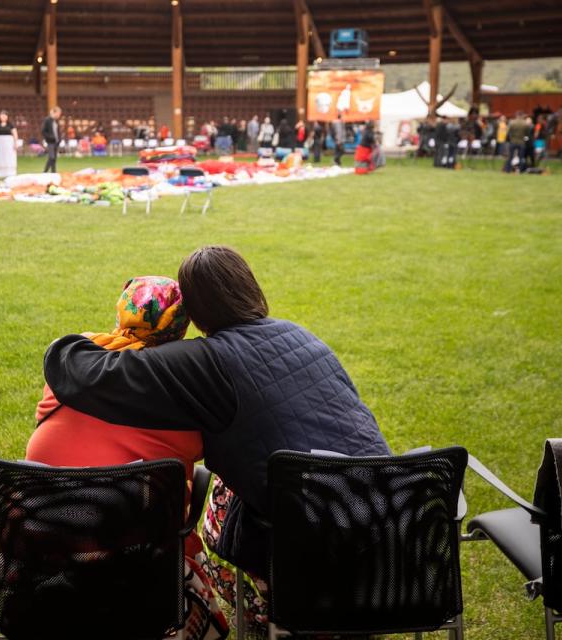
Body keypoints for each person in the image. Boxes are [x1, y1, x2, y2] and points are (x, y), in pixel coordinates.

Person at [43, 245, 390, 627]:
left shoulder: (208, 360)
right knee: (240, 485)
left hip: (314, 556)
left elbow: (84, 371)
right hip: (394, 537)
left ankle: (276, 616)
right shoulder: (301, 335)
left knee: (219, 505)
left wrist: (76, 342)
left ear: (197, 311)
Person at [28, 276, 229, 640]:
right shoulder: (176, 389)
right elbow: (203, 446)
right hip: (139, 575)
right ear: (181, 327)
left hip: (49, 561)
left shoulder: (74, 361)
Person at [41, 106, 62, 173]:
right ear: (54, 112)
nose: (59, 115)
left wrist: (59, 139)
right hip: (50, 142)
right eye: (59, 113)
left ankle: (53, 172)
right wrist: (50, 137)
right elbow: (43, 131)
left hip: (56, 142)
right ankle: (44, 172)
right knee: (51, 157)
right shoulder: (47, 120)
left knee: (54, 159)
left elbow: (57, 131)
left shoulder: (55, 121)